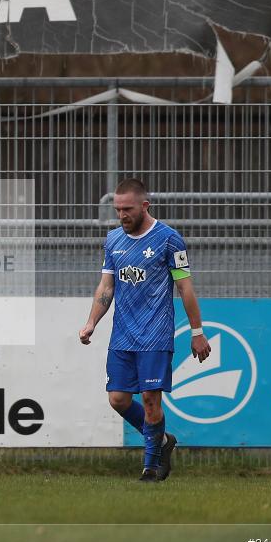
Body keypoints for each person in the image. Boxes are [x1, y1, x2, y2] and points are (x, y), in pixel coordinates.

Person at [79, 178, 211, 481]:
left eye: (127, 209)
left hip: (155, 334)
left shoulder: (169, 239)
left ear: (145, 205)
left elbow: (185, 287)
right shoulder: (113, 240)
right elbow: (106, 286)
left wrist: (197, 332)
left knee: (151, 401)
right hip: (122, 335)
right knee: (118, 399)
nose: (122, 215)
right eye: (117, 210)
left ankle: (150, 468)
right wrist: (91, 322)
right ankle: (162, 441)